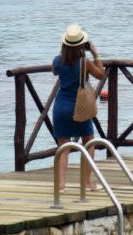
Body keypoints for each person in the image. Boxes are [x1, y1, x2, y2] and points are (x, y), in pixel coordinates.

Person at [52, 23, 105, 191]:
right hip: (80, 108)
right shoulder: (85, 62)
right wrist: (95, 53)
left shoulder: (57, 61)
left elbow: (54, 71)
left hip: (61, 106)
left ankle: (60, 185)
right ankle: (87, 182)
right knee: (89, 143)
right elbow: (101, 74)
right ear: (82, 44)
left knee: (63, 147)